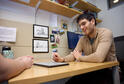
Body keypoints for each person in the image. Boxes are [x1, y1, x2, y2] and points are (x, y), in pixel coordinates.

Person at [53, 11, 117, 84]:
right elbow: (74, 55)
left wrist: (80, 58)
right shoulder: (82, 39)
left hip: (109, 71)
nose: (81, 28)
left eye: (83, 24)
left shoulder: (106, 33)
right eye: (80, 25)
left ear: (92, 21)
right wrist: (62, 59)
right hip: (92, 70)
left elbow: (99, 57)